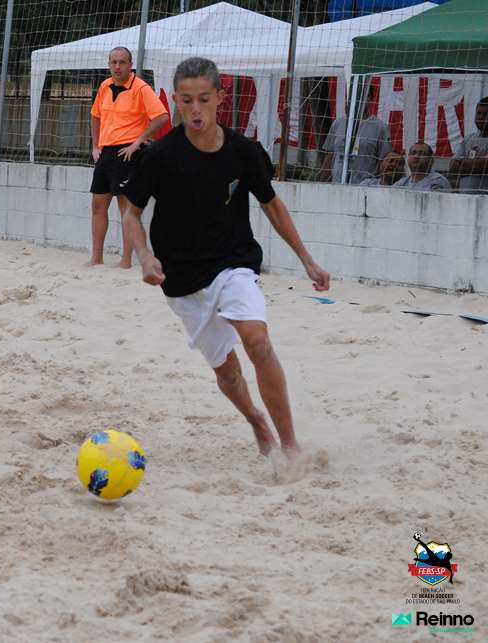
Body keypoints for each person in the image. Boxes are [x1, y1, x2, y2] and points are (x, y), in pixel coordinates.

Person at [122, 57, 330, 457]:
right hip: (181, 278)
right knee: (228, 370)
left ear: (220, 96)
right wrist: (144, 256)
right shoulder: (160, 155)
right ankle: (256, 421)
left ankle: (290, 447)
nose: (195, 109)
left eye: (204, 99)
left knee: (257, 340)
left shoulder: (244, 152)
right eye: (186, 101)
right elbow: (131, 214)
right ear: (176, 101)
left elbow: (272, 205)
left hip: (233, 263)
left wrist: (306, 259)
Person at [88, 46, 169, 268]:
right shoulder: (104, 86)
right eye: (113, 62)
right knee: (98, 204)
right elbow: (95, 115)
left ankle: (125, 261)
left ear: (130, 65)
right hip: (106, 151)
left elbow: (161, 116)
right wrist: (95, 145)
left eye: (122, 62)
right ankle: (96, 258)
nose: (117, 66)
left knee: (125, 206)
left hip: (127, 152)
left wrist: (138, 141)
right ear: (109, 64)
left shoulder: (141, 88)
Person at [321, 84, 392, 185]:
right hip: (337, 186)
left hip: (365, 188)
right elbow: (330, 156)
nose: (358, 99)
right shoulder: (338, 123)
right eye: (355, 95)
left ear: (370, 98)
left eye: (363, 95)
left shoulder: (380, 127)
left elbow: (384, 161)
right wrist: (323, 182)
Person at [448, 96, 488, 193]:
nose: (481, 117)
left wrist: (464, 164)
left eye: (486, 114)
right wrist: (476, 165)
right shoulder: (468, 139)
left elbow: (485, 165)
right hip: (465, 199)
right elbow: (453, 166)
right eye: (478, 113)